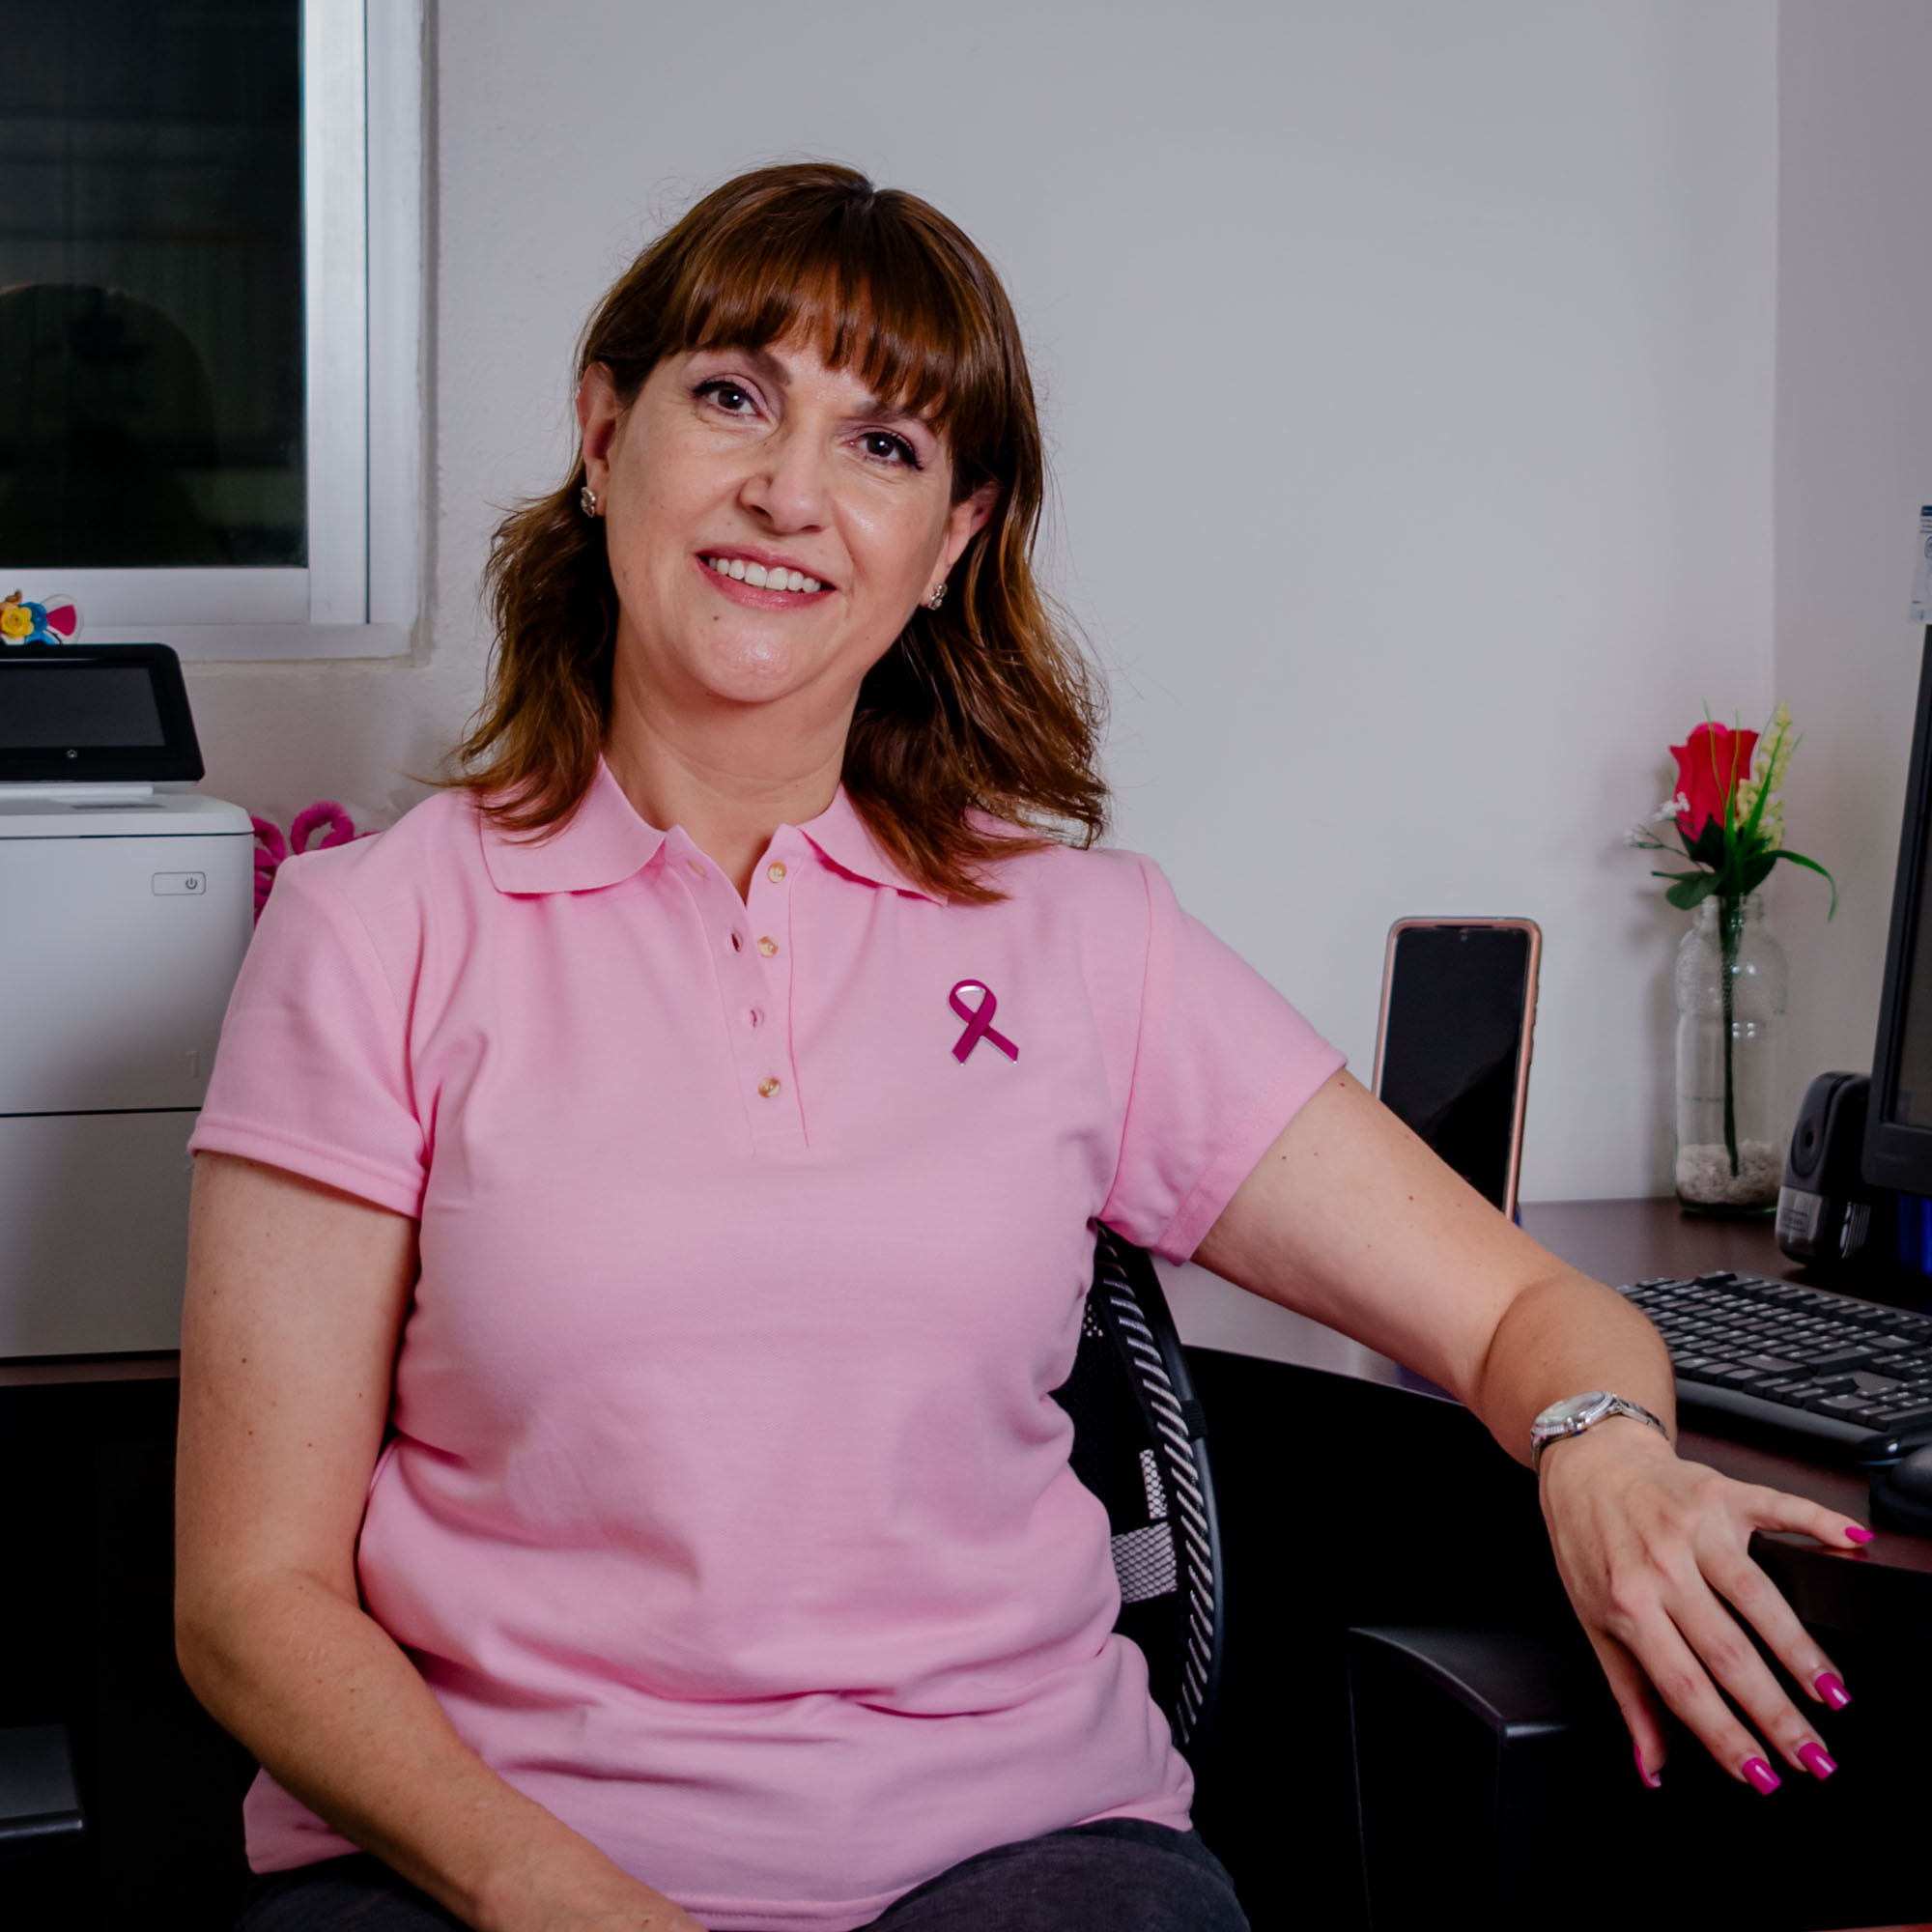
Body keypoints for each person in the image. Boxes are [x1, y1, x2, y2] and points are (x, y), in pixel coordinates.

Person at [175, 162, 1870, 1932]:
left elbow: (1528, 1313)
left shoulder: (1081, 942)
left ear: (952, 541)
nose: (789, 491)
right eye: (734, 396)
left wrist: (1606, 1445)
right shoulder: (374, 933)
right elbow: (248, 1598)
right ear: (605, 437)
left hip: (1020, 1864)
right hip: (488, 1879)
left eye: (884, 446)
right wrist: (564, 1901)